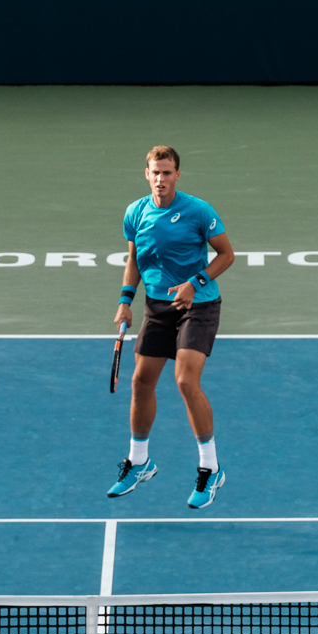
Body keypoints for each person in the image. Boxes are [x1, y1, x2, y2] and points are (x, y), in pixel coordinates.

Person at [108, 146, 235, 508]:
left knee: (184, 380)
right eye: (155, 172)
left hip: (199, 304)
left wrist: (195, 281)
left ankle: (211, 469)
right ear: (146, 174)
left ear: (177, 175)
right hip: (157, 306)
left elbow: (227, 255)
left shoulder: (198, 210)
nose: (161, 179)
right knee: (141, 380)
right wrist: (124, 300)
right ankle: (139, 462)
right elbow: (135, 259)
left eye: (167, 172)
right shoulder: (135, 212)